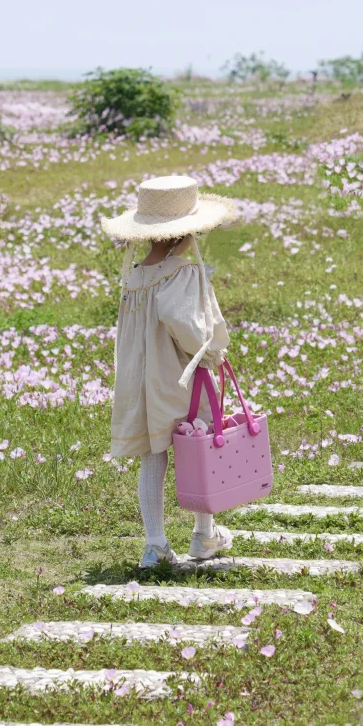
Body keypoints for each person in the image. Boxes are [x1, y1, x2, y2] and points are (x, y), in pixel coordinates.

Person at [101, 174, 237, 568]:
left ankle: (156, 545)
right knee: (199, 444)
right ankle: (204, 534)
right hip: (180, 375)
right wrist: (211, 350)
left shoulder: (134, 277)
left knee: (153, 454)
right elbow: (186, 324)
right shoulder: (181, 272)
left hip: (140, 380)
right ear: (186, 234)